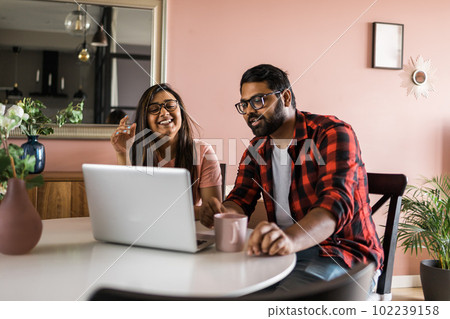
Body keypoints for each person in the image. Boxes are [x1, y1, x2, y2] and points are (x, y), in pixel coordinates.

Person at [202, 64, 383, 294]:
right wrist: (222, 212)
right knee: (222, 291)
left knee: (279, 304)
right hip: (284, 254)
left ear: (285, 97)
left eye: (258, 101)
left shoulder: (331, 133)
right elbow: (239, 199)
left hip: (342, 255)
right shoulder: (256, 149)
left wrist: (288, 240)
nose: (249, 111)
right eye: (244, 104)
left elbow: (334, 205)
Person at [110, 83, 222, 219]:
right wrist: (122, 152)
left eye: (170, 105)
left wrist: (153, 210)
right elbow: (128, 207)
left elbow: (212, 214)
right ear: (145, 119)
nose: (164, 113)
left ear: (181, 111)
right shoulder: (136, 151)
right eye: (154, 109)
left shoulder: (203, 152)